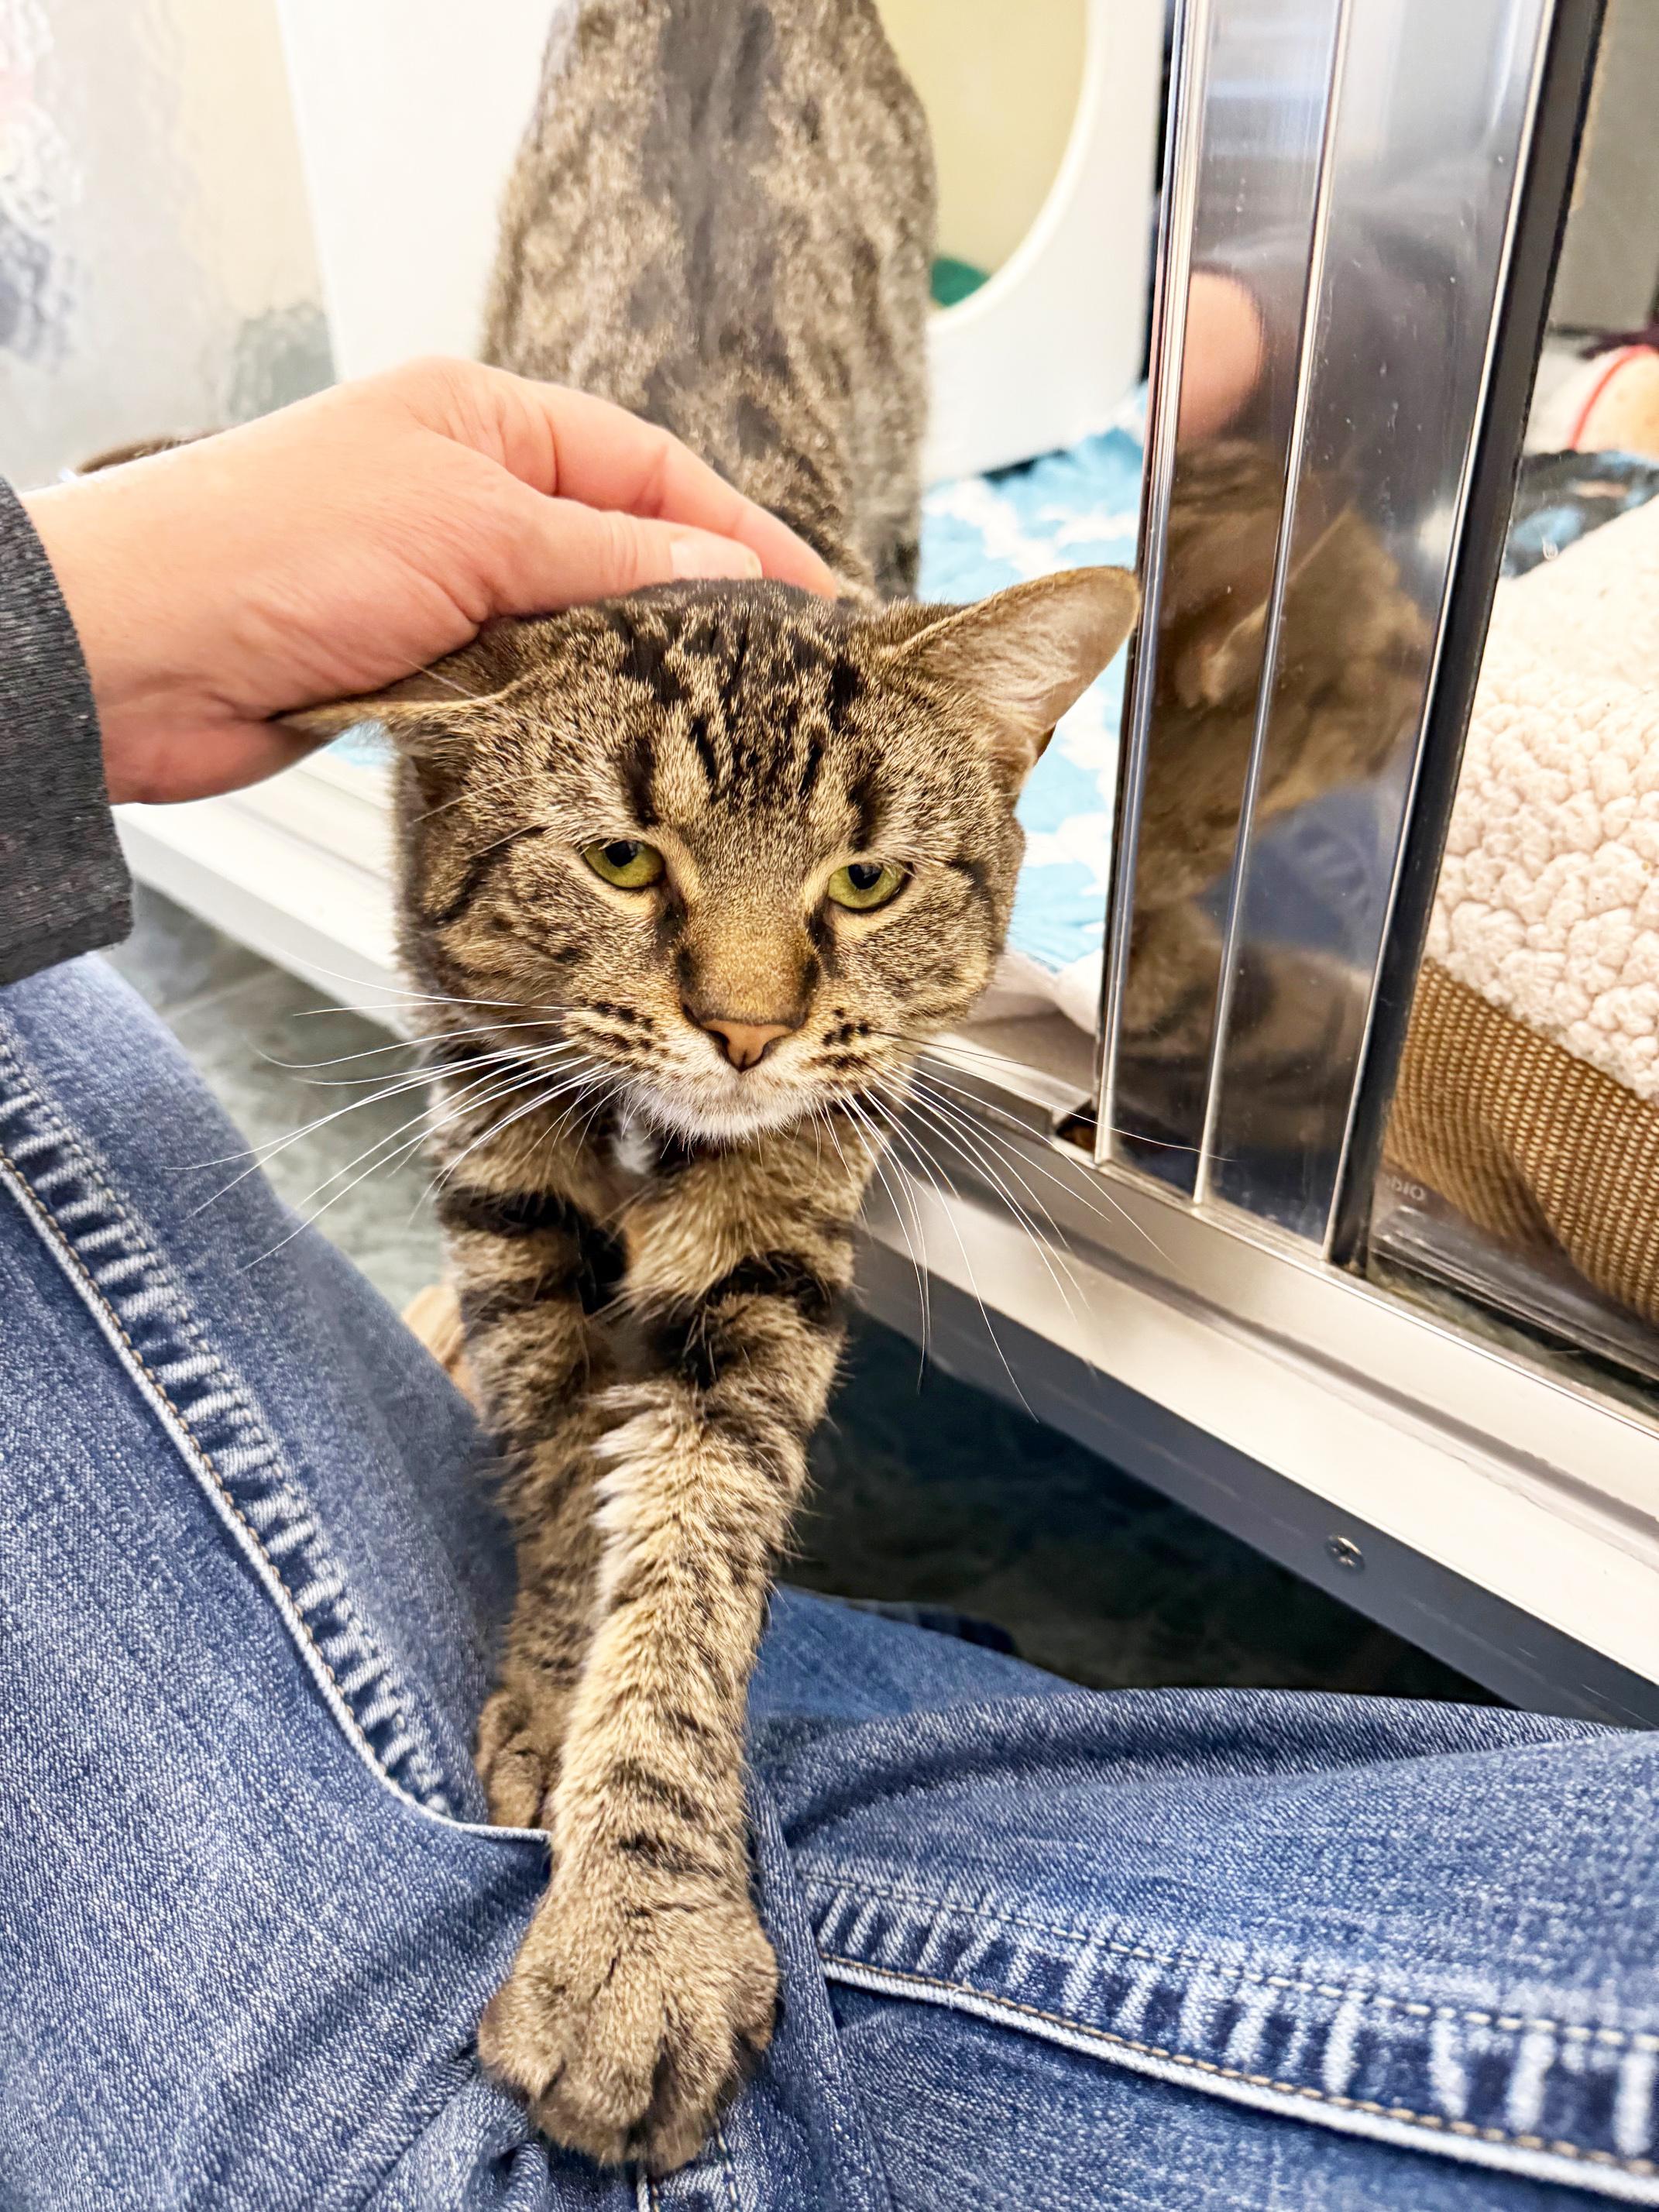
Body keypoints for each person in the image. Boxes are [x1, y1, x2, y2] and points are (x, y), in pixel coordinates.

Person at [2, 359, 1655, 2211]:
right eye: (632, 862)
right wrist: (80, 614)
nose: (747, 1007)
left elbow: (738, 1374)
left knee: (728, 1351)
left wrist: (648, 1796)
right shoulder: (493, 773)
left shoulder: (849, 938)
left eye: (861, 887)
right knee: (537, 1260)